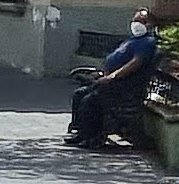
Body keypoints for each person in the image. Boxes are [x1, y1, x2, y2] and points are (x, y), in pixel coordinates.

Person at [67, 10, 159, 149]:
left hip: (124, 86)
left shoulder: (147, 42)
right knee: (79, 94)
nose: (137, 24)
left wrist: (112, 76)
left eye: (142, 21)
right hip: (110, 80)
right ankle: (80, 132)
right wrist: (102, 73)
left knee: (90, 100)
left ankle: (91, 137)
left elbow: (135, 63)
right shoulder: (131, 40)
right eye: (136, 20)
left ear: (150, 24)